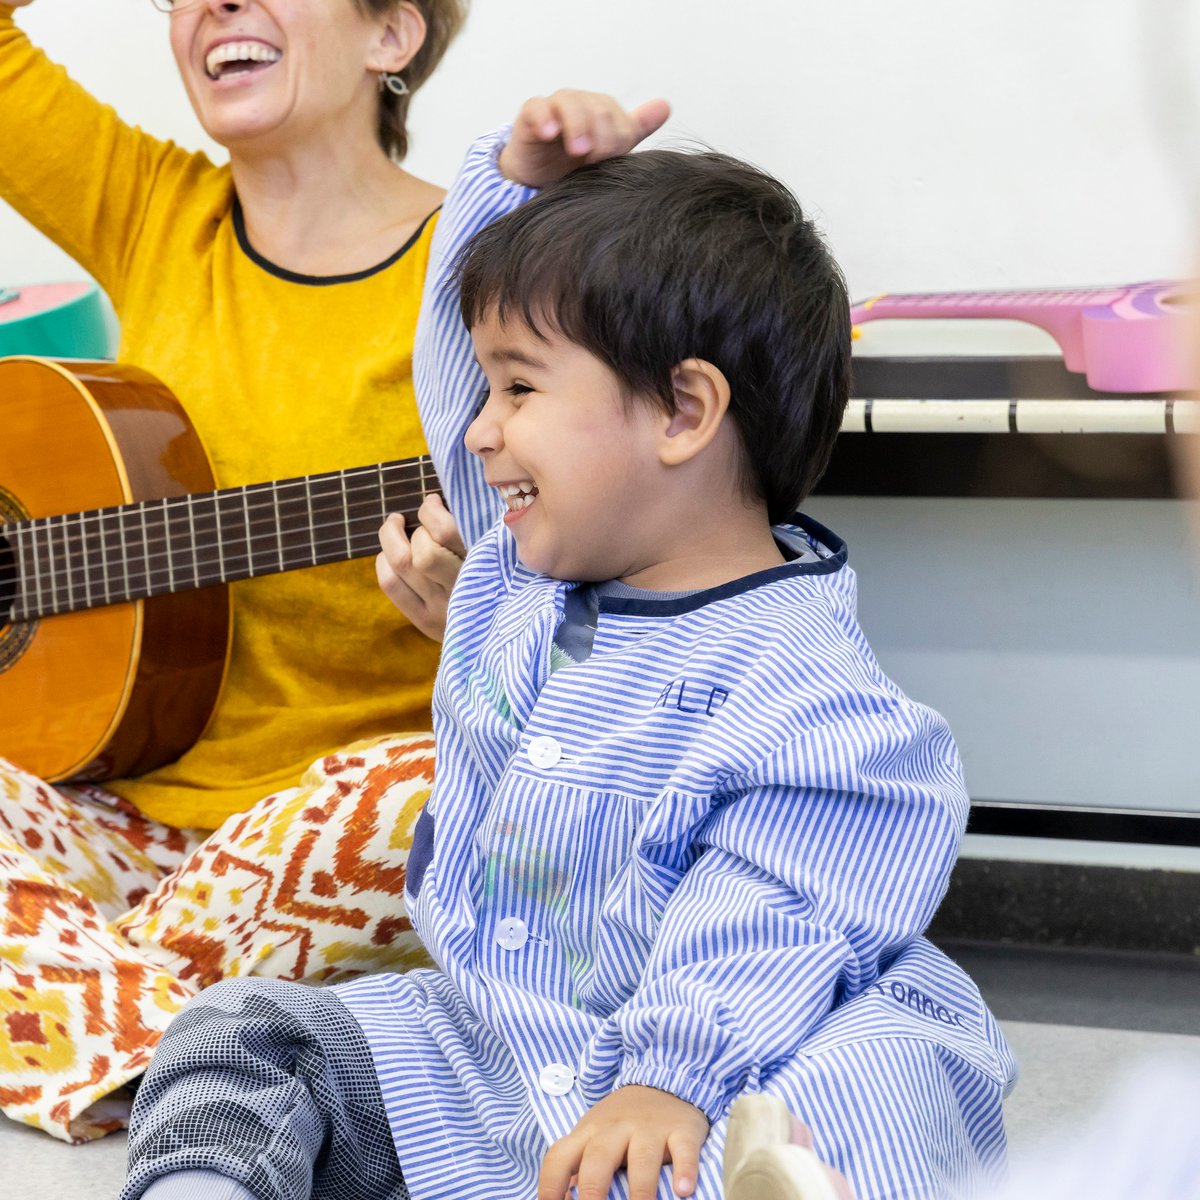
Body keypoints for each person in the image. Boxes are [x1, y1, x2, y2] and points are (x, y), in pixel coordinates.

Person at [115, 145, 1015, 1200]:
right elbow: (457, 377)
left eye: (521, 388)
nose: (482, 429)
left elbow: (778, 912)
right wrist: (510, 175)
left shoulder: (810, 688)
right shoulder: (515, 574)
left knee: (887, 1074)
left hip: (727, 1062)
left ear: (684, 413)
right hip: (496, 1057)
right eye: (487, 387)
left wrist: (670, 1080)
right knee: (240, 1030)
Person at [0, 0, 661, 1144]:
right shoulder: (153, 210)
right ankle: (225, 1051)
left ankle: (83, 1007)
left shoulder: (499, 253)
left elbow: (632, 587)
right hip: (127, 823)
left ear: (392, 36)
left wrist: (480, 622)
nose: (217, 5)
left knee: (429, 802)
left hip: (339, 826)